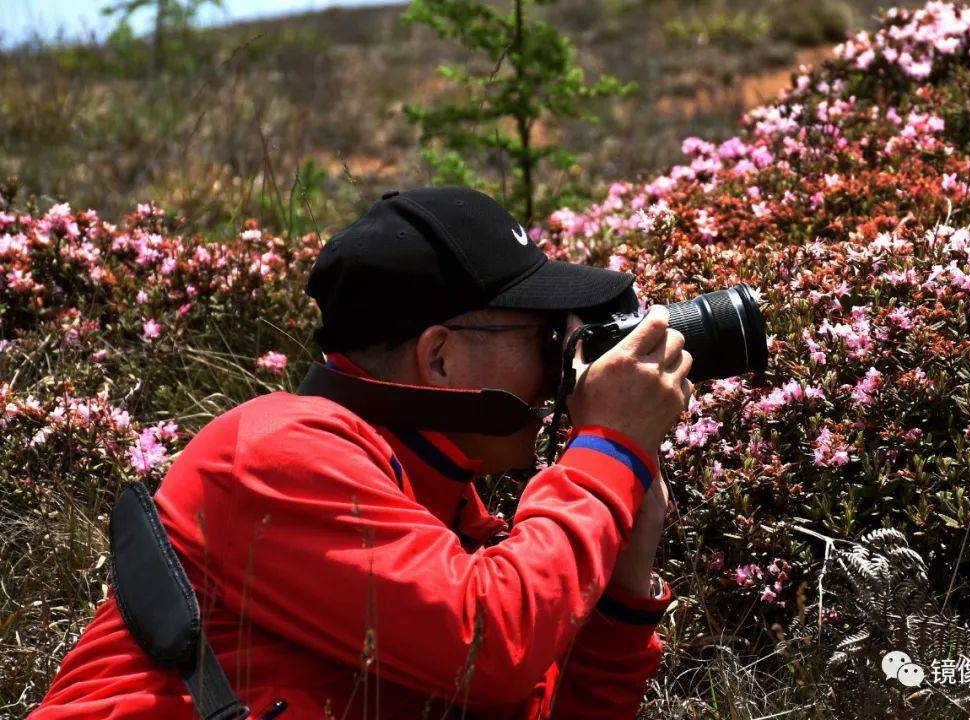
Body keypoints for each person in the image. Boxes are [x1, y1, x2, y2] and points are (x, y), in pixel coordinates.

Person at [31, 186, 693, 719]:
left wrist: (622, 590)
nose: (562, 370)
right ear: (439, 356)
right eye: (546, 342)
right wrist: (607, 449)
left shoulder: (444, 513)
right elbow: (489, 644)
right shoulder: (276, 451)